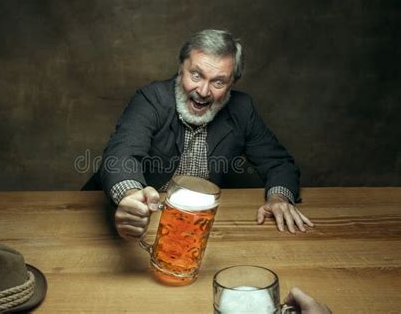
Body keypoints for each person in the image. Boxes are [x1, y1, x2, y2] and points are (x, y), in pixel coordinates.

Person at [99, 29, 314, 240]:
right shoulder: (151, 98)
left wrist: (278, 197)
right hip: (144, 219)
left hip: (196, 223)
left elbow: (278, 162)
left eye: (218, 82)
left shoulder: (242, 108)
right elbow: (120, 156)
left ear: (232, 84)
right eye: (196, 75)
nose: (203, 91)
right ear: (180, 68)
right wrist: (130, 198)